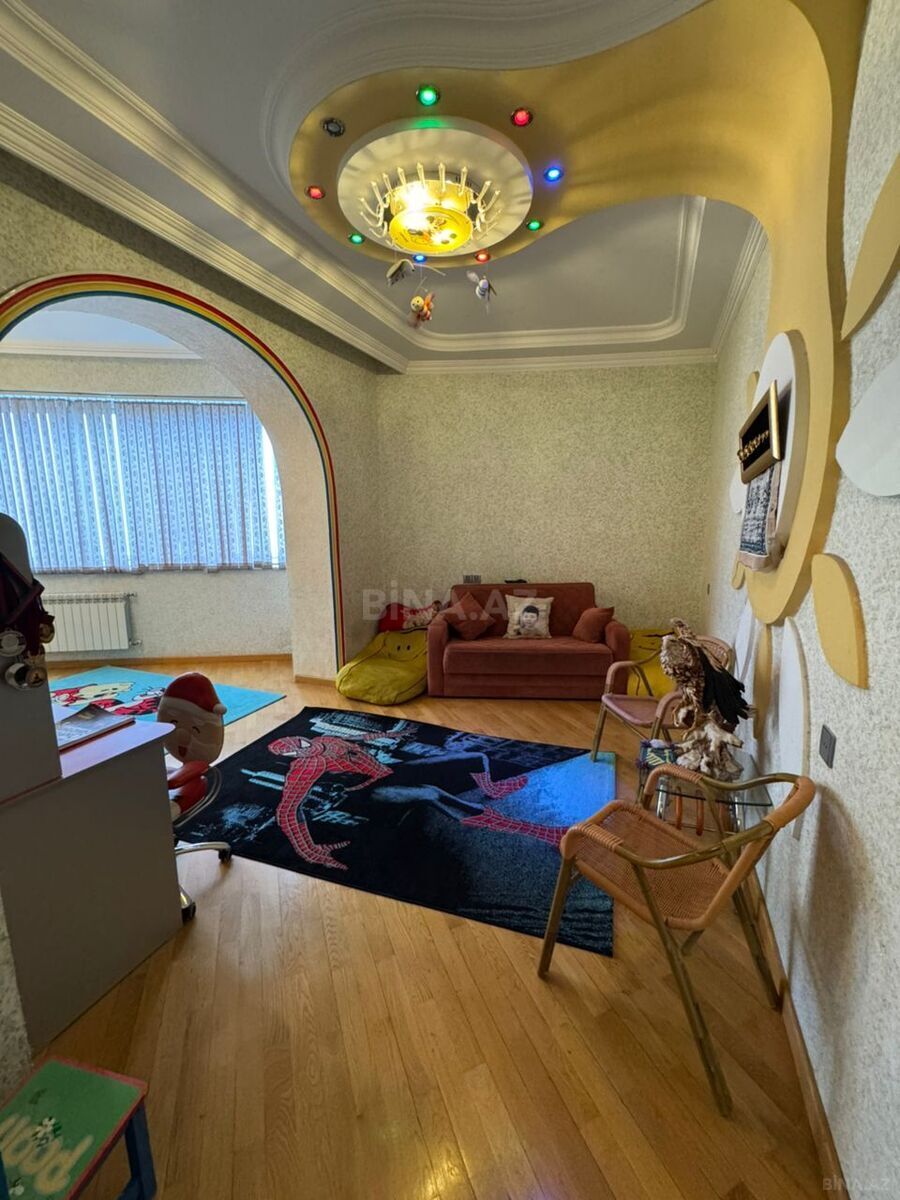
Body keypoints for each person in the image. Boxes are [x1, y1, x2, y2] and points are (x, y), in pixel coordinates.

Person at [268, 728, 567, 870]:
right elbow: (287, 810)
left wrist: (385, 734)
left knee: (476, 757)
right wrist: (309, 851)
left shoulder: (323, 740)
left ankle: (492, 790)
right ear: (292, 755)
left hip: (388, 771)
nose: (296, 746)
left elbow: (356, 740)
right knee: (431, 793)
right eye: (290, 751)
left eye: (294, 742)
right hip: (365, 794)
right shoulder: (307, 766)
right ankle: (544, 833)